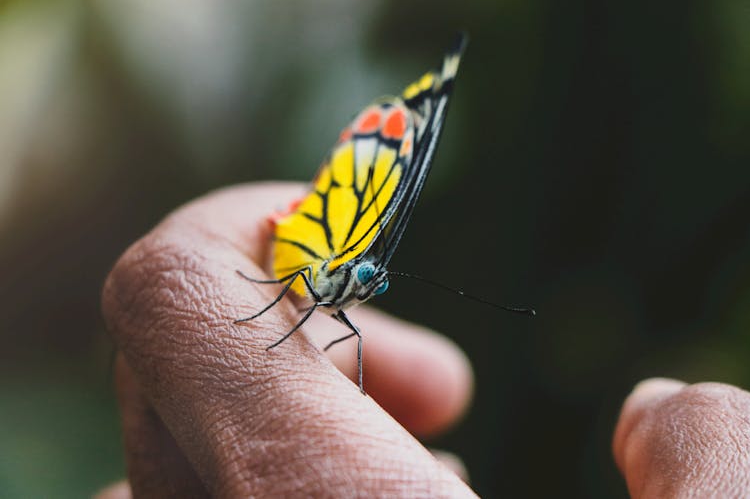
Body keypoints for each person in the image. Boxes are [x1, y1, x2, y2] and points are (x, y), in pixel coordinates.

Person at [97, 184, 750, 498]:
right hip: (275, 260)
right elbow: (307, 284)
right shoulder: (334, 261)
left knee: (353, 339)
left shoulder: (352, 297)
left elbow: (338, 320)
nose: (372, 284)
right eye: (370, 276)